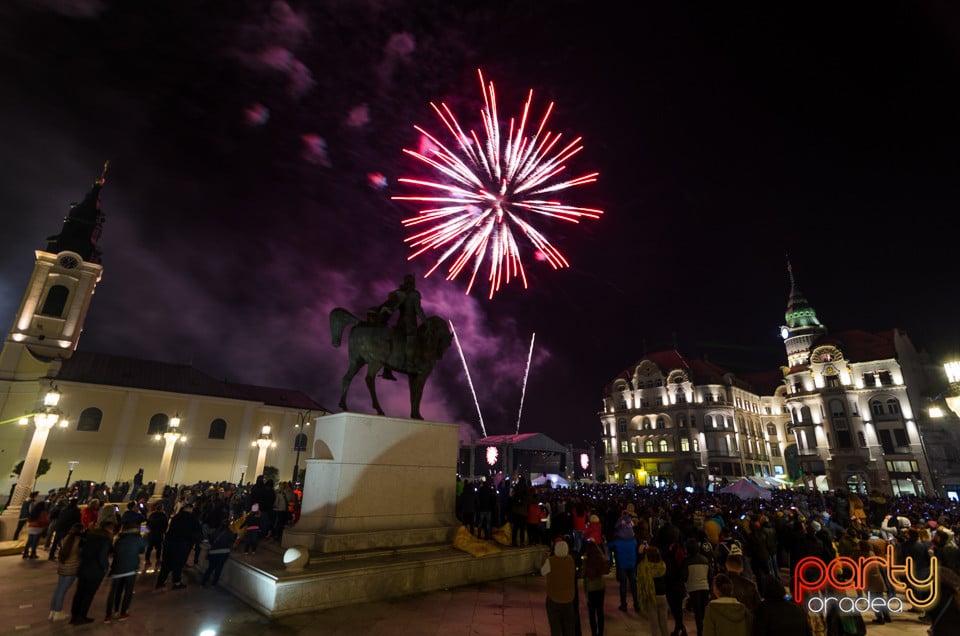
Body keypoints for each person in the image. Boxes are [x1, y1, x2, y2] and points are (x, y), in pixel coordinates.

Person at [374, 274, 426, 380]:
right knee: (412, 341)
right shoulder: (414, 294)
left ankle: (387, 370)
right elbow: (418, 310)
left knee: (395, 341)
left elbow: (394, 306)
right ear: (412, 282)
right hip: (410, 323)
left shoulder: (400, 294)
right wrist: (426, 321)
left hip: (400, 322)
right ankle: (410, 366)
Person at [70, 519, 114, 625]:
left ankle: (74, 615)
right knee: (88, 594)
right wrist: (105, 568)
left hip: (83, 567)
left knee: (79, 593)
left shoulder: (89, 536)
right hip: (95, 571)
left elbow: (81, 550)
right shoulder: (105, 540)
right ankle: (82, 615)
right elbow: (102, 557)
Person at [104, 519, 145, 622]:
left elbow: (113, 551)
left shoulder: (118, 538)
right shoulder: (137, 537)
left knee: (115, 591)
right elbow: (142, 549)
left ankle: (109, 614)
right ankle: (123, 613)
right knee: (128, 591)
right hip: (131, 567)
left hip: (117, 567)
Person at [156, 502, 201, 590]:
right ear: (191, 509)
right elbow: (197, 531)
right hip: (181, 544)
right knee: (178, 564)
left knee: (166, 563)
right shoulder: (192, 518)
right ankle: (176, 582)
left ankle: (160, 582)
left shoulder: (176, 517)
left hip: (169, 542)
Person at [541, 538, 577, 636]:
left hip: (554, 599)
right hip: (569, 598)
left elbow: (543, 572)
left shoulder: (551, 561)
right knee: (569, 627)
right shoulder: (571, 560)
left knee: (555, 628)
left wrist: (547, 558)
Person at [48, 522, 83, 622]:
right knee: (62, 591)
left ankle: (53, 611)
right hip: (71, 569)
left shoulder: (65, 538)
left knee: (58, 589)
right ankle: (58, 611)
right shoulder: (78, 541)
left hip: (62, 567)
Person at [608, 515, 640, 612]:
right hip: (632, 564)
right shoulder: (634, 540)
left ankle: (624, 605)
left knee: (623, 585)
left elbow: (609, 546)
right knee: (633, 585)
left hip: (622, 564)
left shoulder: (617, 541)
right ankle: (636, 604)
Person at [682, 538, 712, 636]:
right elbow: (710, 575)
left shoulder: (686, 561)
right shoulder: (705, 560)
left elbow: (684, 577)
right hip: (705, 587)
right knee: (704, 612)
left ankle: (700, 631)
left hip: (693, 588)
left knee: (698, 613)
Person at [638, 544, 669, 636]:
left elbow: (640, 566)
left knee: (654, 626)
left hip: (651, 598)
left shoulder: (645, 567)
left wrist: (641, 553)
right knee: (664, 625)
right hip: (663, 597)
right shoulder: (663, 566)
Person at [582, 539, 609, 636]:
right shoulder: (600, 557)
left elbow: (582, 573)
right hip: (600, 587)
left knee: (592, 613)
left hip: (590, 588)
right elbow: (606, 569)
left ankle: (594, 632)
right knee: (600, 611)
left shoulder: (587, 559)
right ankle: (600, 633)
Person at [202, 518, 238, 587]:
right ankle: (213, 583)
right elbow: (233, 542)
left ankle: (203, 582)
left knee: (210, 568)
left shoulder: (216, 531)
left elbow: (211, 540)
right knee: (218, 568)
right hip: (224, 552)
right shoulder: (230, 533)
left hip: (213, 552)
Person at [144, 502, 168, 569]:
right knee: (159, 548)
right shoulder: (164, 516)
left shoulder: (151, 515)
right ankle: (158, 559)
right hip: (159, 534)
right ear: (162, 509)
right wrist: (164, 532)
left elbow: (147, 524)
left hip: (151, 534)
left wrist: (145, 533)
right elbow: (165, 526)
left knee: (149, 547)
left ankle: (147, 560)